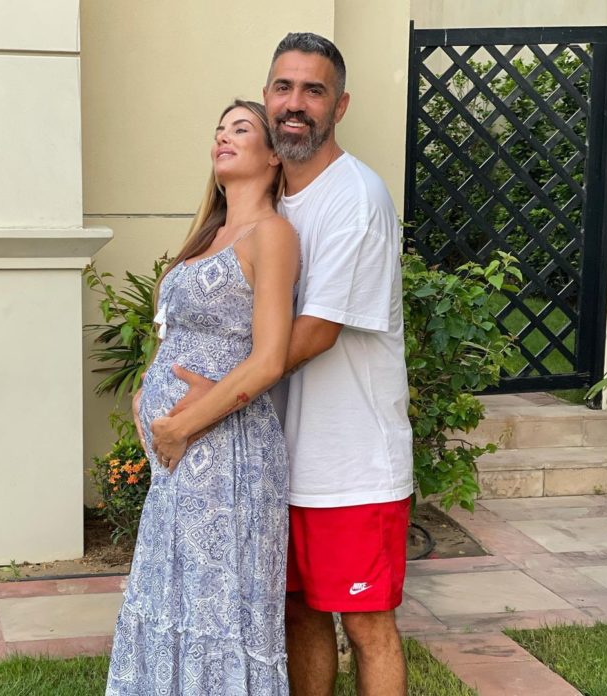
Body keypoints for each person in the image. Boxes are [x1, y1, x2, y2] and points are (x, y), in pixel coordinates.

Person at [163, 33, 413, 696]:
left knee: (367, 625)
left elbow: (315, 333)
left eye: (313, 90)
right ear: (268, 97)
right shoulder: (271, 205)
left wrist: (211, 401)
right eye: (283, 87)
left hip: (350, 463)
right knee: (297, 614)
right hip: (274, 458)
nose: (295, 103)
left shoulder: (355, 197)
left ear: (340, 105)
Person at [105, 99, 299, 695]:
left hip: (227, 450)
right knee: (173, 591)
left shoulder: (272, 234)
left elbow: (268, 359)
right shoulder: (207, 236)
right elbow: (175, 331)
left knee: (219, 603)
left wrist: (182, 425)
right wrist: (148, 386)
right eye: (219, 130)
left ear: (273, 155)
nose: (223, 138)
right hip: (177, 455)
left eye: (241, 129)